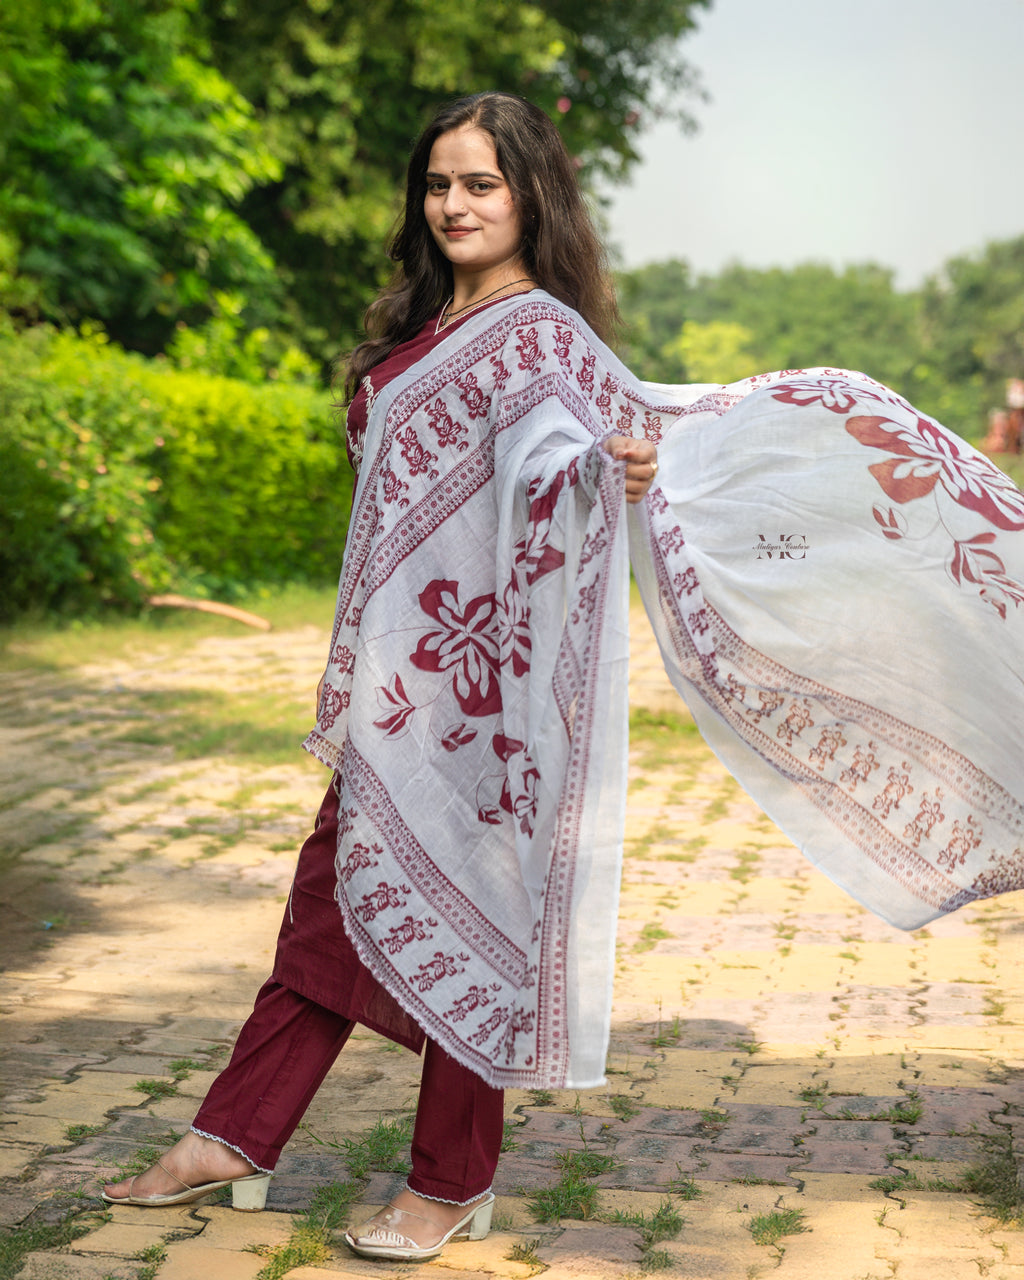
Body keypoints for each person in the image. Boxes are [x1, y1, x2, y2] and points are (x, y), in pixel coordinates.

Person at [103, 91, 1024, 1260]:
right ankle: (235, 1135)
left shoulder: (538, 333)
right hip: (414, 681)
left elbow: (557, 454)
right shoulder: (422, 327)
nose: (454, 204)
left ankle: (446, 1179)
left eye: (479, 183)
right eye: (438, 183)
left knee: (472, 911)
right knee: (332, 899)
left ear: (529, 195)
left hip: (494, 694)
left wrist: (602, 470)